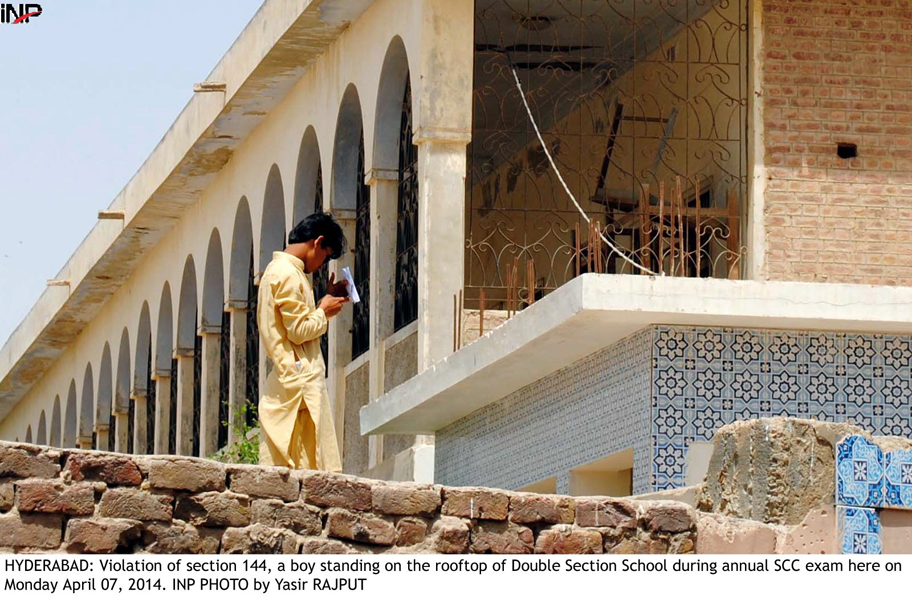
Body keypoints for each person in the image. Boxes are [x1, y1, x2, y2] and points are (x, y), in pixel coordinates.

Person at [256, 212, 349, 471]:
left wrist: (326, 300)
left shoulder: (283, 272)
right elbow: (298, 330)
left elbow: (292, 326)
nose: (322, 264)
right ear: (317, 242)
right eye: (326, 256)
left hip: (292, 383)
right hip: (299, 389)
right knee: (307, 471)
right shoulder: (288, 274)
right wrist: (324, 313)